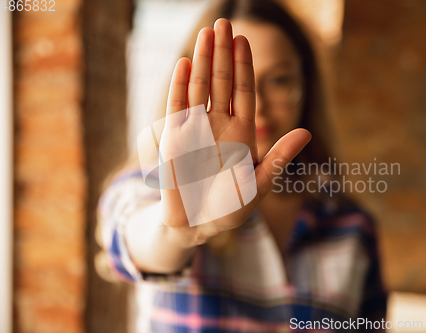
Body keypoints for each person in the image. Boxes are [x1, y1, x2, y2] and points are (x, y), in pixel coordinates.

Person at [96, 0, 387, 331]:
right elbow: (132, 235)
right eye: (237, 82)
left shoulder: (352, 226)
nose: (259, 105)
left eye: (279, 80)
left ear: (306, 88)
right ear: (200, 86)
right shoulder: (158, 184)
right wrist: (178, 231)